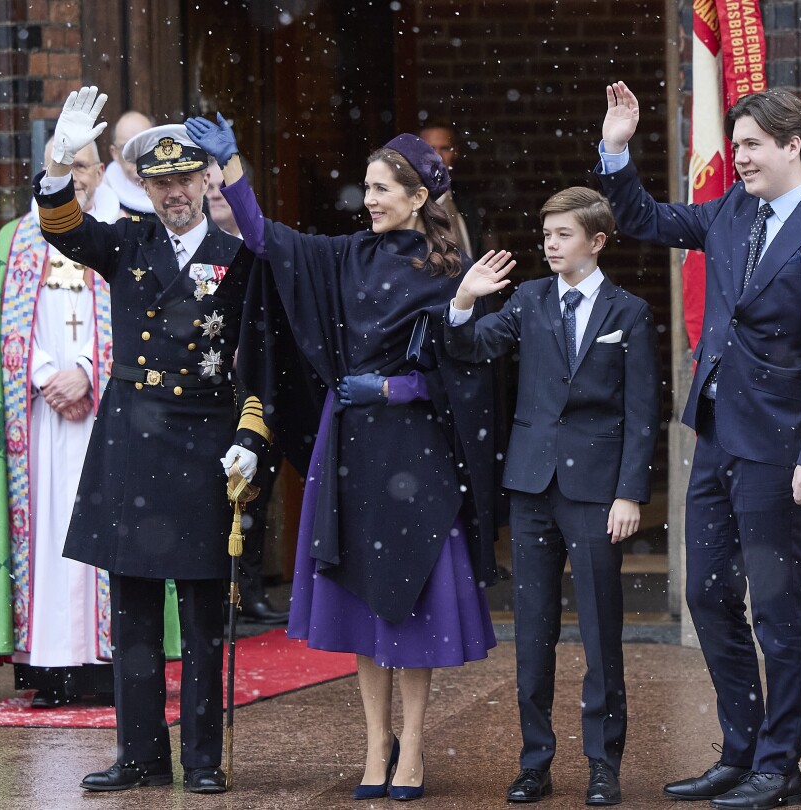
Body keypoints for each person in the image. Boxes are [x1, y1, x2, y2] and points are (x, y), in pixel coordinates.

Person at [187, 114, 500, 802]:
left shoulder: (449, 269)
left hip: (417, 450)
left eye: (384, 188)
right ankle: (374, 745)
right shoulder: (348, 255)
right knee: (364, 599)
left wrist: (405, 378)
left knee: (411, 601)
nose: (371, 199)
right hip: (352, 445)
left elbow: (471, 371)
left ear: (419, 197)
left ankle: (413, 746)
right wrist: (233, 165)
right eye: (367, 187)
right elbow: (267, 240)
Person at [596, 82, 801, 808]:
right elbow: (644, 219)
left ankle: (780, 767)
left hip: (779, 448)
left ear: (791, 147)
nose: (740, 156)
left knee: (778, 609)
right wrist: (616, 148)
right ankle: (740, 752)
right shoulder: (729, 210)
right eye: (737, 143)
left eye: (752, 145)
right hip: (715, 436)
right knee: (707, 593)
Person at [35, 87, 268, 795]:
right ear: (143, 184)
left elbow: (257, 354)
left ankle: (200, 758)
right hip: (133, 444)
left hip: (203, 446)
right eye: (160, 180)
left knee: (200, 617)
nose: (174, 191)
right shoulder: (128, 243)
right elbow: (64, 230)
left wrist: (252, 435)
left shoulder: (239, 255)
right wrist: (55, 167)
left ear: (206, 180)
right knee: (132, 614)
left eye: (185, 178)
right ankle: (139, 755)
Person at [445, 187, 660, 806]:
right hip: (533, 486)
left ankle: (602, 762)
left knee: (600, 629)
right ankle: (535, 759)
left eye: (563, 234)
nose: (550, 245)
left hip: (596, 490)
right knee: (533, 630)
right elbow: (473, 348)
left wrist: (630, 493)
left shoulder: (629, 313)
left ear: (596, 241)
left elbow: (643, 411)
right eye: (546, 235)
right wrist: (463, 301)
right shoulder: (529, 300)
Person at [0, 138, 124, 706]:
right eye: (64, 166)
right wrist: (46, 373)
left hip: (106, 412)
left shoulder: (125, 231)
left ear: (101, 171)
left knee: (104, 529)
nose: (75, 176)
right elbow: (4, 327)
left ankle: (104, 666)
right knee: (45, 534)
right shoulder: (16, 238)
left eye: (84, 166)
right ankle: (48, 668)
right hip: (39, 416)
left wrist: (91, 372)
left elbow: (140, 318)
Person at [204, 161, 292, 626]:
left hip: (254, 385)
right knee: (210, 487)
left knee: (255, 485)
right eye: (211, 187)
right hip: (206, 385)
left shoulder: (264, 250)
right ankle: (213, 593)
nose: (217, 194)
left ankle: (249, 590)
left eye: (225, 187)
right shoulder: (195, 248)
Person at [418, 120, 483, 254]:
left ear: (456, 152)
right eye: (430, 149)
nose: (438, 156)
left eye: (445, 148)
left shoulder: (466, 202)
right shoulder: (410, 204)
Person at [100, 109, 156, 216]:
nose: (137, 155)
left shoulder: (176, 189)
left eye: (144, 145)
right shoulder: (100, 195)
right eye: (127, 148)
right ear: (114, 153)